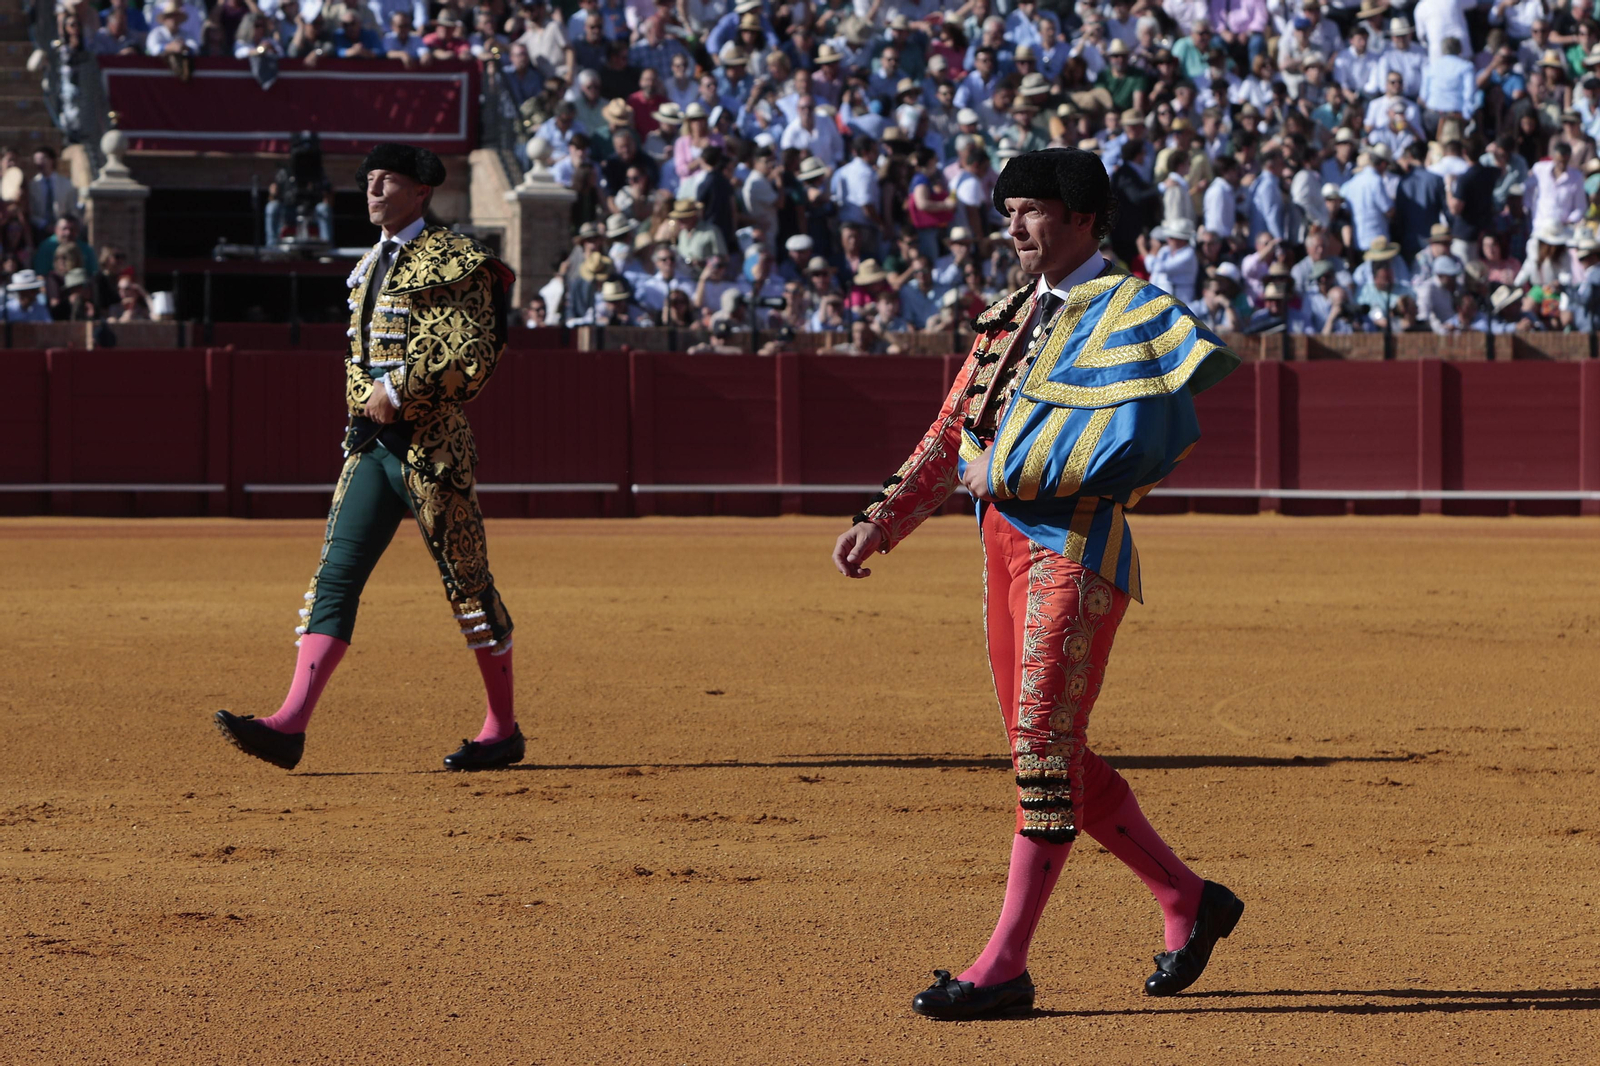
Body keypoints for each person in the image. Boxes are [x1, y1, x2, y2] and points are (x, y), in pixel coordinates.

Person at [832, 147, 1244, 1022]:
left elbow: (1143, 449)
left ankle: (1004, 966)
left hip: (1076, 548)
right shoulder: (1005, 317)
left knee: (1041, 749)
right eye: (1009, 210)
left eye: (1031, 210)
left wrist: (1011, 475)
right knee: (1045, 746)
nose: (1013, 227)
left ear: (1085, 218)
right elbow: (952, 435)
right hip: (1002, 552)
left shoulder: (1135, 311)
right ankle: (1187, 898)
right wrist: (884, 515)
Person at [213, 144, 522, 773]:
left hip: (434, 448)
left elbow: (474, 353)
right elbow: (358, 360)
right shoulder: (367, 265)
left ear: (421, 192)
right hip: (373, 448)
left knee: (468, 586)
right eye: (369, 182)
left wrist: (401, 385)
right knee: (333, 579)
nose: (373, 191)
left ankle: (502, 728)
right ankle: (290, 723)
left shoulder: (456, 260)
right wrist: (363, 407)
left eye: (388, 181)